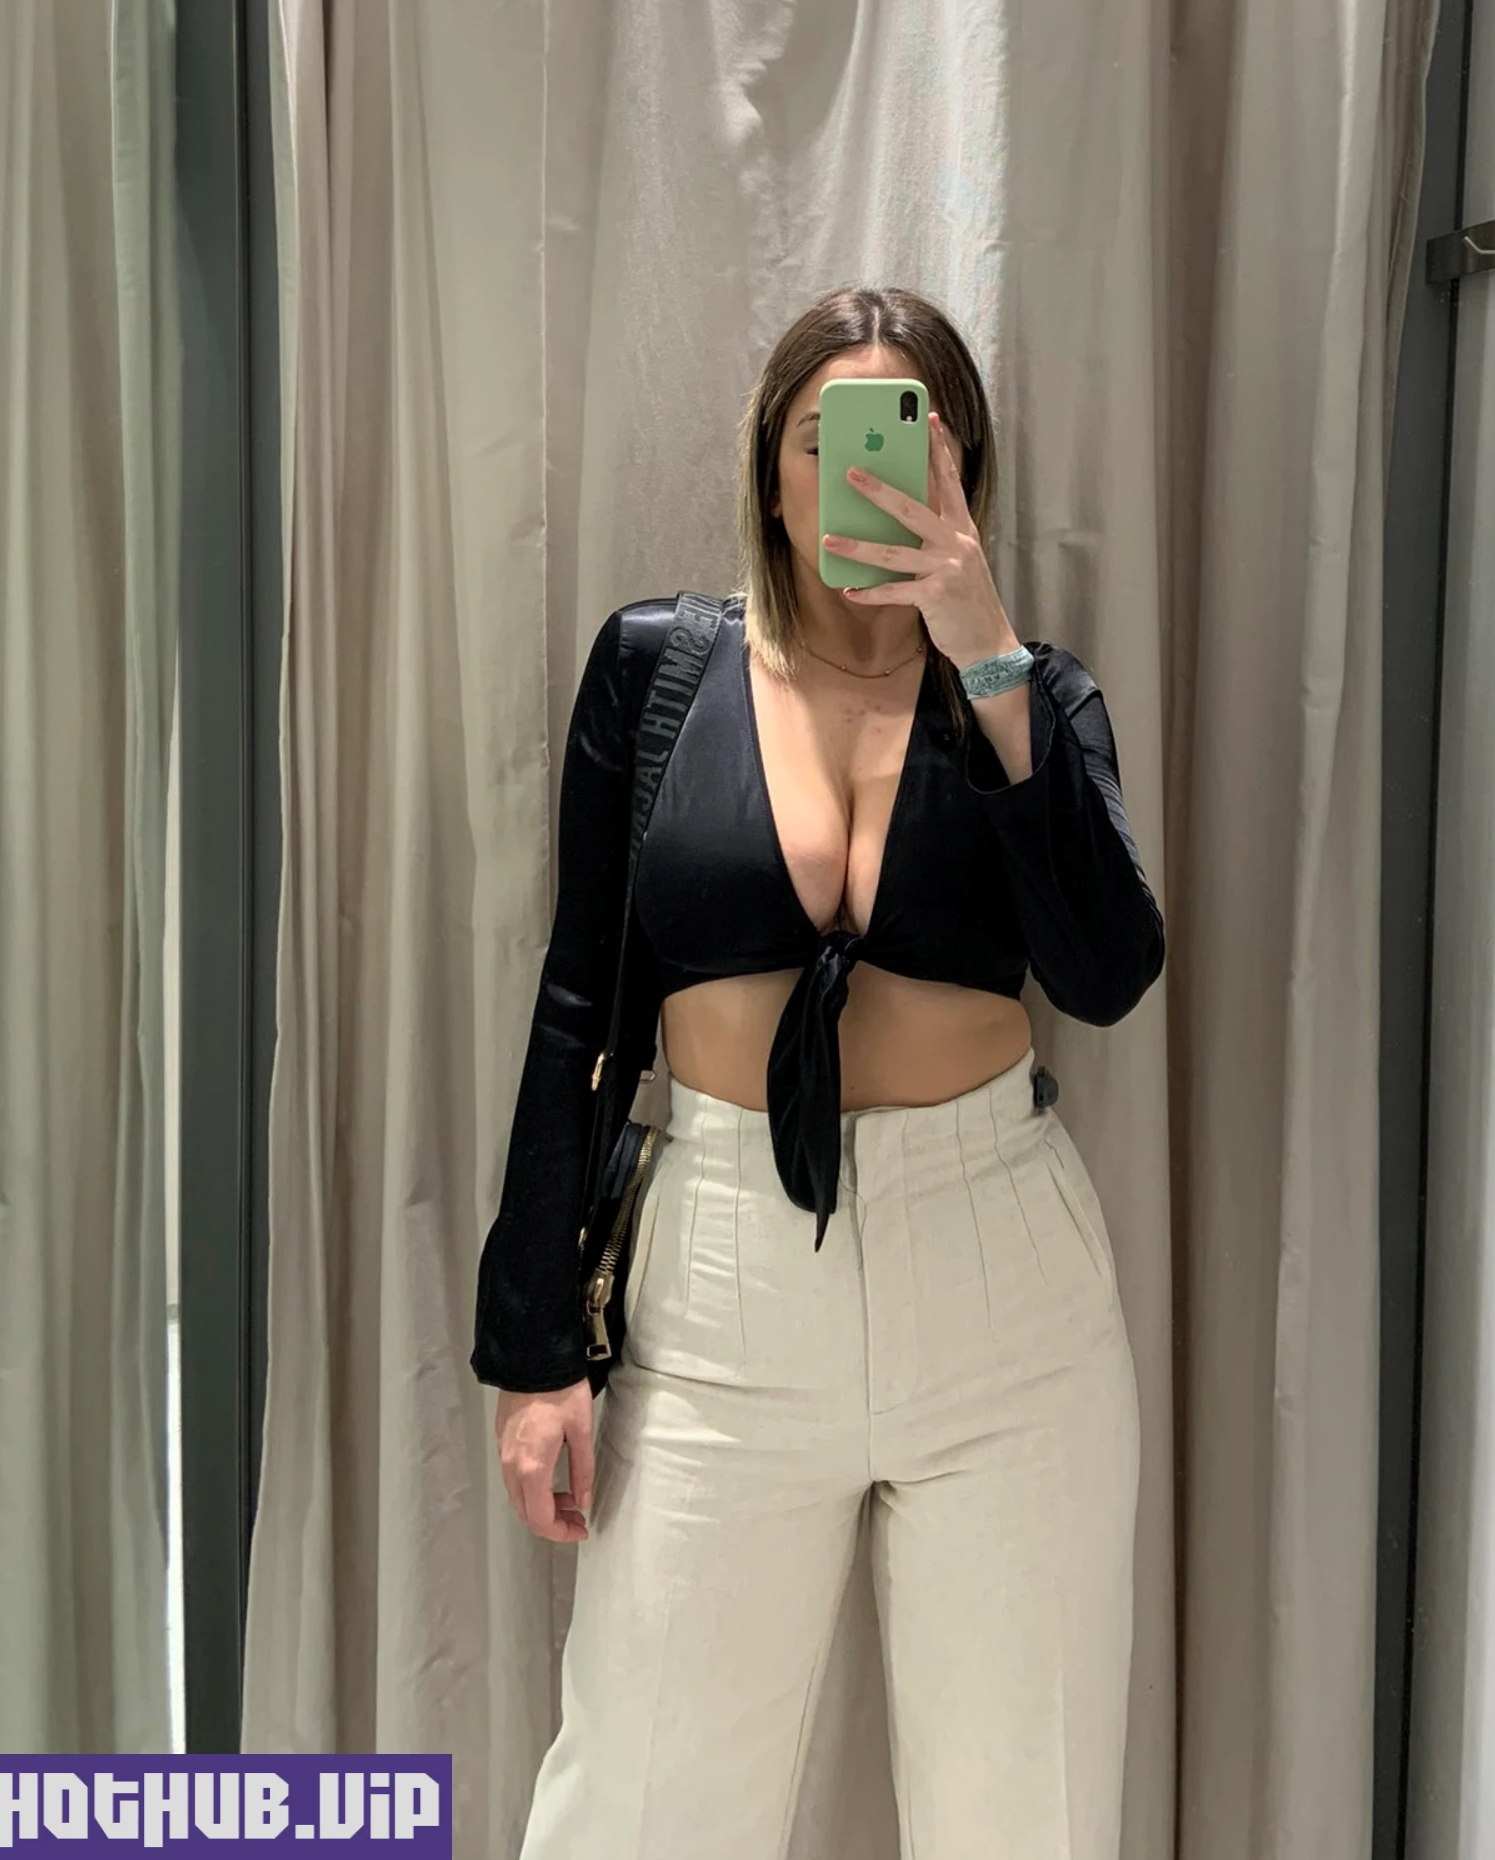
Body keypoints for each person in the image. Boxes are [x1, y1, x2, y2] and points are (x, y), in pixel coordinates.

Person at [472, 285, 1166, 1860]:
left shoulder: (1039, 697)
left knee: (1025, 1815)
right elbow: (582, 1002)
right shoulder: (658, 671)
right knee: (640, 1806)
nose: (862, 476)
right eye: (821, 437)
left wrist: (988, 660)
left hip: (1007, 1286)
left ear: (960, 470)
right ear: (770, 471)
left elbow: (1107, 974)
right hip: (718, 1282)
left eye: (912, 440)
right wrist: (534, 1345)